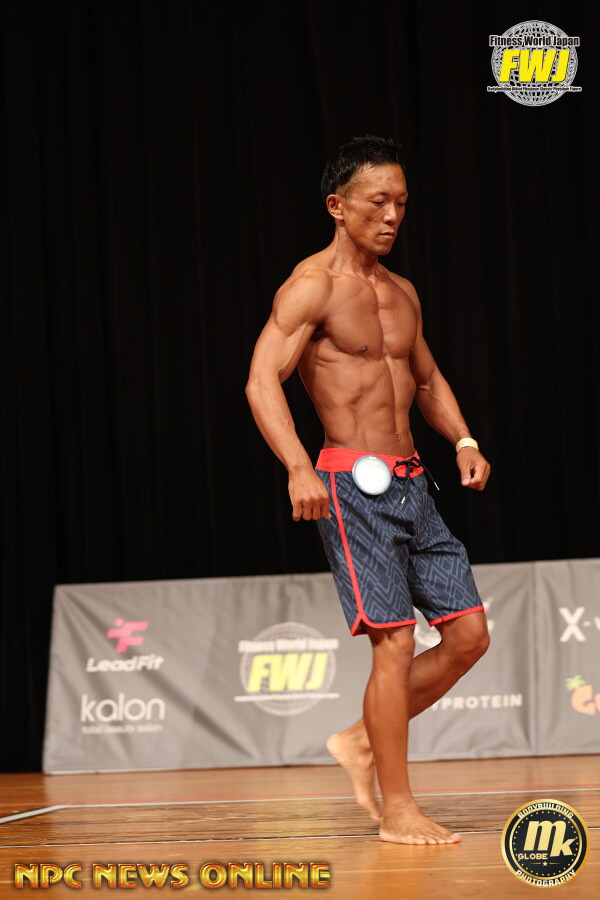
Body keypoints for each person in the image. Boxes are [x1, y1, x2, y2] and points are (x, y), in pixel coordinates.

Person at [245, 134, 491, 846]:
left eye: (401, 203)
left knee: (469, 635)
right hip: (351, 483)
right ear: (337, 205)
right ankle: (399, 808)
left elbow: (426, 379)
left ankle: (358, 739)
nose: (392, 215)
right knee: (395, 644)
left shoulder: (401, 291)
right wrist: (298, 466)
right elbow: (261, 380)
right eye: (378, 201)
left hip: (414, 482)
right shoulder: (311, 286)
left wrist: (465, 441)